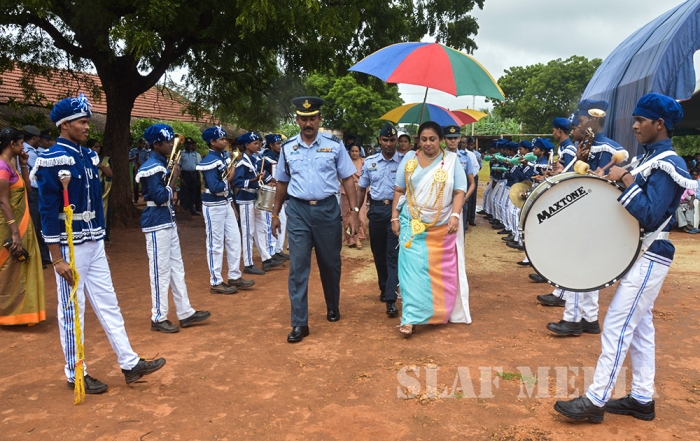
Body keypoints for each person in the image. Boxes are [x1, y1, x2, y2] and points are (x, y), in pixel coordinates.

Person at [555, 93, 698, 423]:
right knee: (641, 329)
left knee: (618, 325)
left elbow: (650, 215)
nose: (634, 126)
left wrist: (627, 179)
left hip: (651, 253)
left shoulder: (669, 163)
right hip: (640, 253)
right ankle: (642, 399)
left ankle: (596, 400)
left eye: (640, 120)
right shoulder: (648, 158)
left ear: (659, 124)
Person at [33, 94, 166, 393]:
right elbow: (47, 210)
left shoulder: (88, 156)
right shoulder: (53, 158)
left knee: (109, 304)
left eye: (87, 122)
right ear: (64, 125)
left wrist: (100, 237)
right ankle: (75, 372)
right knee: (72, 310)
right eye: (81, 122)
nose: (87, 127)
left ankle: (129, 362)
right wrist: (56, 258)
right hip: (69, 244)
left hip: (93, 241)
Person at [270, 96, 360, 343]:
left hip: (327, 210)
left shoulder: (334, 146)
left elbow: (348, 179)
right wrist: (275, 214)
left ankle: (332, 304)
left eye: (312, 118)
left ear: (319, 119)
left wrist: (353, 212)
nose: (308, 123)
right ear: (297, 120)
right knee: (298, 266)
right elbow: (282, 182)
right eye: (303, 119)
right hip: (298, 211)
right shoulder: (288, 148)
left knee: (330, 264)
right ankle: (300, 323)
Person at [391, 121, 470, 336]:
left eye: (432, 139)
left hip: (442, 226)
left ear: (441, 140)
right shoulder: (409, 158)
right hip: (411, 223)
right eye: (424, 139)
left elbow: (459, 191)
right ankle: (410, 318)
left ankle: (436, 312)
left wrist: (455, 216)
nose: (428, 143)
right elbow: (398, 190)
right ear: (418, 140)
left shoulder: (451, 161)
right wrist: (394, 217)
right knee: (410, 273)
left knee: (440, 273)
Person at [136, 124, 211, 333]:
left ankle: (185, 312)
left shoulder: (161, 164)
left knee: (177, 268)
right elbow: (160, 197)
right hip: (156, 221)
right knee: (160, 271)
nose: (170, 145)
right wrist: (175, 177)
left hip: (167, 221)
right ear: (156, 144)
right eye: (167, 142)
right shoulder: (152, 166)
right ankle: (158, 316)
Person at [197, 126, 255, 294]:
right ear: (212, 142)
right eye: (221, 139)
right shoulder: (209, 160)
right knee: (215, 244)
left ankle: (234, 276)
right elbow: (215, 187)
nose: (224, 141)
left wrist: (231, 205)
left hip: (225, 203)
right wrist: (229, 178)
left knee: (234, 240)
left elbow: (225, 188)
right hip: (213, 205)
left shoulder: (224, 157)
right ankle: (216, 281)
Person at [0, 127, 46, 326]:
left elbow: (27, 189)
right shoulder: (2, 166)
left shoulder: (12, 164)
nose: (23, 147)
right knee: (7, 267)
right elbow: (3, 202)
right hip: (9, 225)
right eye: (20, 144)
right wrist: (15, 233)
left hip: (21, 222)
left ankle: (21, 311)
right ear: (12, 144)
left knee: (20, 265)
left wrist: (24, 165)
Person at [356, 123, 402, 317]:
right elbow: (361, 188)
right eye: (385, 140)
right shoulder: (370, 162)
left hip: (396, 212)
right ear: (379, 141)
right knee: (378, 253)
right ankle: (384, 287)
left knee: (393, 254)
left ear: (396, 141)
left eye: (392, 140)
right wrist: (355, 212)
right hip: (376, 210)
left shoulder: (404, 162)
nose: (389, 144)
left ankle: (391, 298)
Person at [233, 131, 284, 274]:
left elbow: (262, 175)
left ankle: (266, 258)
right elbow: (237, 182)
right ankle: (248, 264)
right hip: (245, 199)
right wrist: (254, 180)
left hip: (254, 199)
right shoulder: (242, 162)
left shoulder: (254, 159)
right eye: (255, 143)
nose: (258, 145)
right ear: (247, 145)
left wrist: (274, 182)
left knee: (261, 228)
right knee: (248, 232)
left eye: (258, 143)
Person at [21, 125, 51, 266]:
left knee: (38, 222)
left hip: (35, 191)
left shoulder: (32, 151)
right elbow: (41, 170)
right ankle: (40, 256)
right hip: (32, 191)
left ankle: (43, 254)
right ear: (34, 138)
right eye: (38, 138)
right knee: (35, 223)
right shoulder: (29, 153)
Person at [261, 134, 290, 261]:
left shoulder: (280, 156)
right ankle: (271, 251)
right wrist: (272, 180)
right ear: (271, 145)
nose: (280, 146)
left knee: (282, 220)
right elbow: (261, 172)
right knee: (271, 222)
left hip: (280, 193)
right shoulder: (265, 157)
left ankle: (278, 249)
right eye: (278, 144)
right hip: (270, 194)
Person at [443, 126, 475, 232]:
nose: (452, 141)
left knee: (460, 231)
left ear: (459, 139)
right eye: (449, 138)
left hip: (461, 199)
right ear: (444, 139)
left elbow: (472, 183)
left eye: (455, 138)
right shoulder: (439, 157)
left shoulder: (465, 157)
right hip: (443, 199)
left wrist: (465, 198)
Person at [86, 139, 113, 246]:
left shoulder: (103, 160)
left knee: (102, 213)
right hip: (86, 191)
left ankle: (103, 236)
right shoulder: (84, 158)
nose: (98, 149)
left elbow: (110, 174)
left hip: (101, 191)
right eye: (95, 147)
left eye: (98, 147)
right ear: (89, 148)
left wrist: (100, 165)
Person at [341, 144, 368, 248]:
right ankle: (350, 239)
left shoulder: (364, 162)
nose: (354, 153)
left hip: (361, 191)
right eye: (352, 151)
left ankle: (358, 238)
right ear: (349, 152)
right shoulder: (345, 162)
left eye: (356, 151)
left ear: (360, 152)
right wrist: (349, 185)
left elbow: (368, 175)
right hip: (346, 192)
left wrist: (360, 185)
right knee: (347, 215)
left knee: (360, 215)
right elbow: (339, 175)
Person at [461, 136, 481, 226]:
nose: (462, 144)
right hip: (459, 180)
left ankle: (469, 220)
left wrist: (470, 176)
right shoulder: (453, 154)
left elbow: (477, 167)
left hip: (470, 179)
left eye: (464, 143)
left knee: (470, 199)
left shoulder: (471, 155)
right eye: (460, 142)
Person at [179, 137, 202, 216]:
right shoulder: (181, 154)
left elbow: (197, 167)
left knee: (193, 192)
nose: (189, 145)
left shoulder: (194, 154)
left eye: (190, 144)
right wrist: (181, 178)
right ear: (184, 144)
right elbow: (179, 167)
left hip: (193, 174)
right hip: (185, 174)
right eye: (187, 144)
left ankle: (192, 209)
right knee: (184, 193)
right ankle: (184, 209)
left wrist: (198, 178)